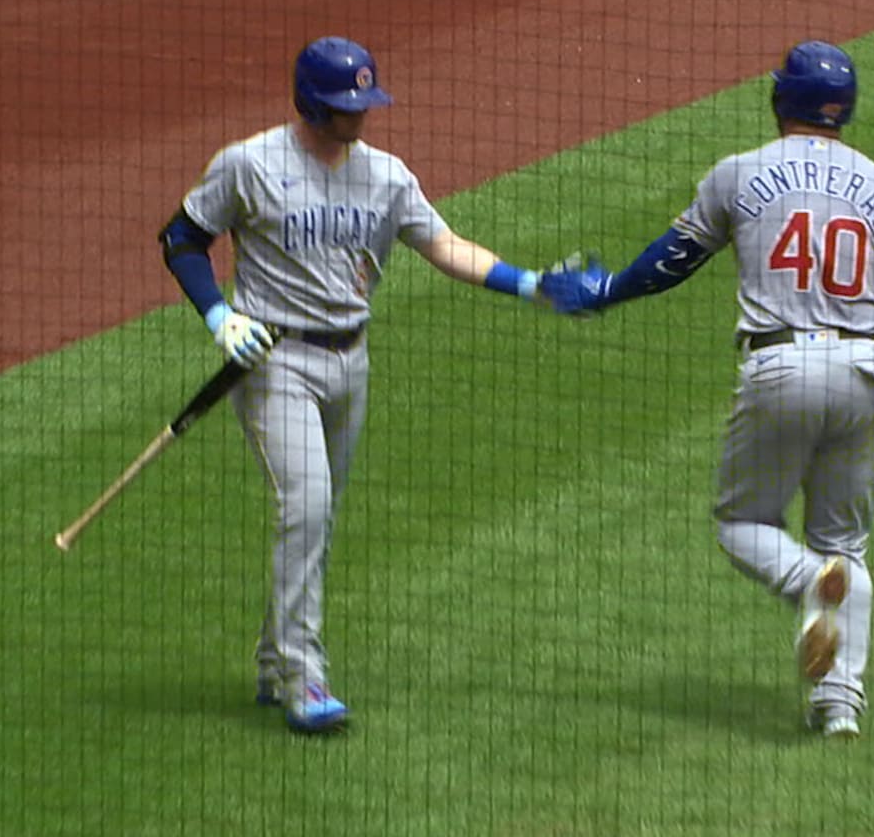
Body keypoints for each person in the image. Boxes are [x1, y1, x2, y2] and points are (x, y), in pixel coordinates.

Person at [541, 40, 874, 738]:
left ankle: (805, 583)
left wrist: (608, 291)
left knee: (743, 527)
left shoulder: (741, 173)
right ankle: (838, 706)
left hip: (779, 369)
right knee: (844, 545)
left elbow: (673, 260)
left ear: (779, 99)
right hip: (865, 372)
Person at [160, 36, 570, 733]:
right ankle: (302, 676)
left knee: (316, 518)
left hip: (352, 363)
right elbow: (181, 238)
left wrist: (528, 283)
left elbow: (444, 246)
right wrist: (219, 315)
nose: (361, 116)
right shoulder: (250, 164)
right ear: (312, 104)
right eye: (348, 105)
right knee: (308, 507)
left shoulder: (385, 176)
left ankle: (271, 660)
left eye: (365, 102)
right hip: (273, 362)